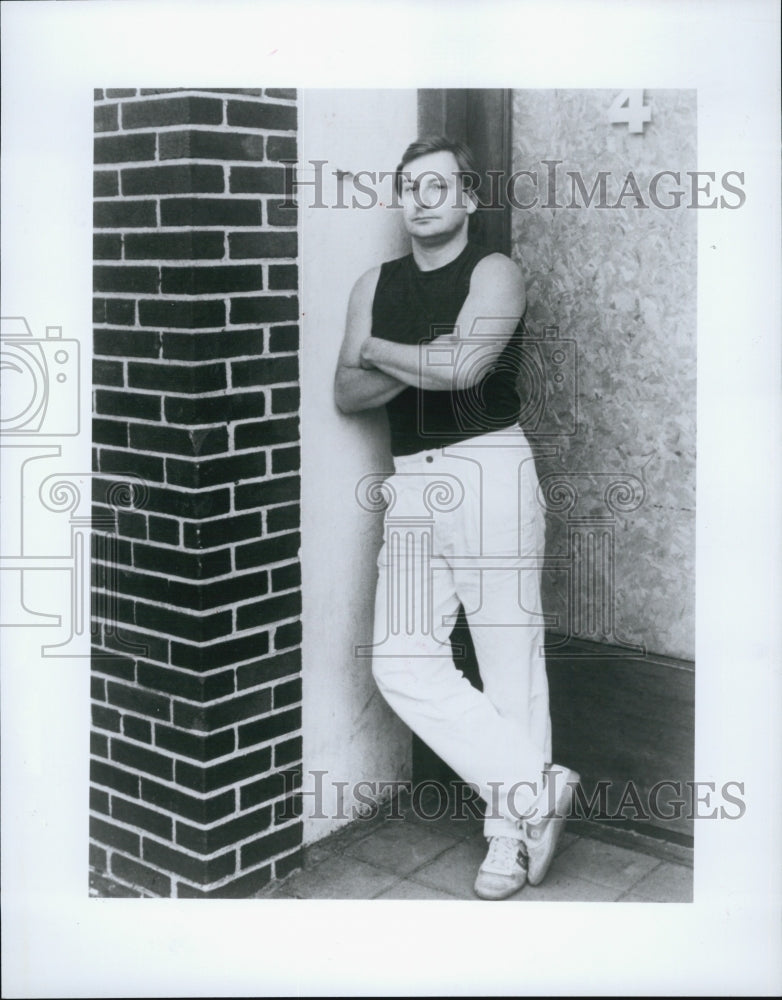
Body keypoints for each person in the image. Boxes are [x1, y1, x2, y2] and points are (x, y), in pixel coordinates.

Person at [334, 136, 579, 900]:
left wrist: (379, 352)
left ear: (468, 198)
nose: (421, 199)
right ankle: (534, 789)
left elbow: (467, 369)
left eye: (437, 186)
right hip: (411, 481)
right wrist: (414, 354)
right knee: (400, 660)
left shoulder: (494, 271)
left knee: (508, 655)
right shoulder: (374, 282)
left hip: (488, 467)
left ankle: (508, 839)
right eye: (409, 186)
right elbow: (346, 391)